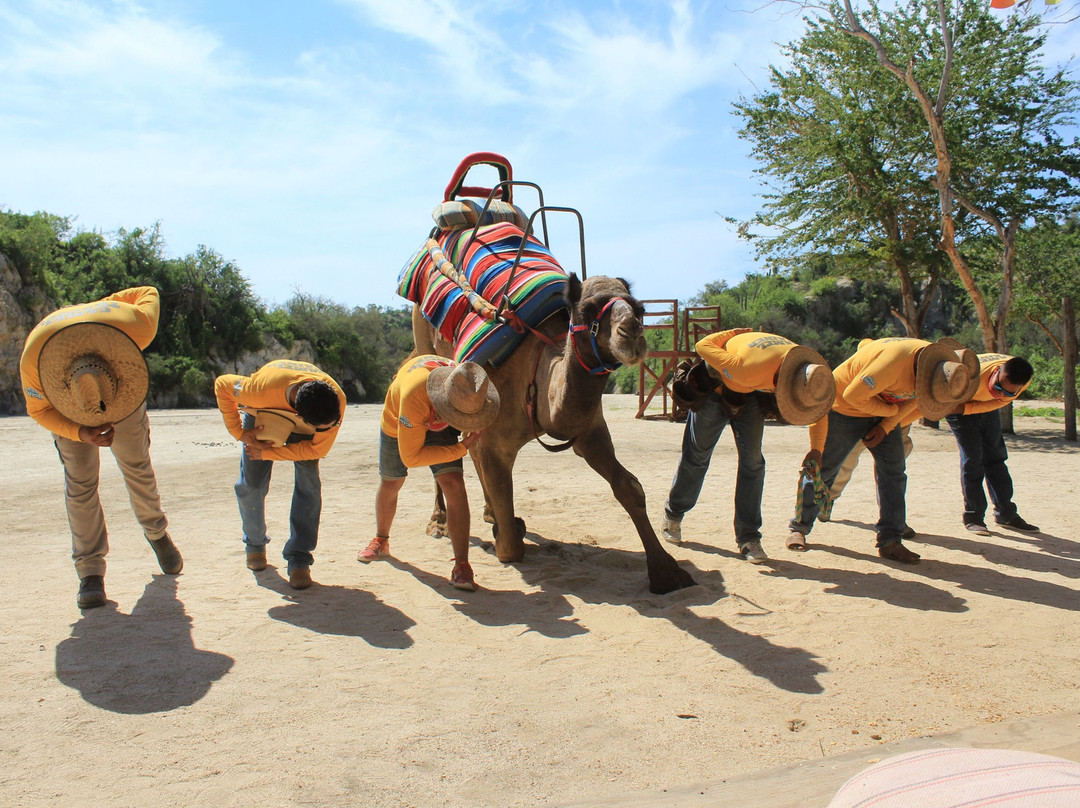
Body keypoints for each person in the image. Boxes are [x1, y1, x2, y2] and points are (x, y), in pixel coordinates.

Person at [20, 286, 182, 609]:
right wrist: (80, 431)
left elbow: (151, 292)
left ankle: (156, 533)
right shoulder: (34, 359)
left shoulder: (132, 325)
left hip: (120, 384)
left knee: (136, 466)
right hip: (66, 401)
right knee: (80, 482)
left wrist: (105, 307)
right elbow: (38, 409)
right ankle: (90, 573)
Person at [789, 337, 977, 564]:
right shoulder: (894, 363)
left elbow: (914, 401)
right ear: (923, 373)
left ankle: (890, 540)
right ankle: (799, 527)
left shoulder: (939, 372)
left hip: (883, 411)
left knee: (894, 472)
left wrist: (886, 425)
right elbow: (852, 394)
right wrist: (888, 412)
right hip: (844, 407)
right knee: (825, 469)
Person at [660, 329, 835, 563]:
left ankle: (749, 537)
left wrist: (816, 449)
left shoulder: (810, 369)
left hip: (752, 392)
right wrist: (736, 332)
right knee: (698, 455)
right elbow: (703, 345)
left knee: (753, 463)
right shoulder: (745, 367)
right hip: (716, 388)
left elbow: (818, 411)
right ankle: (674, 513)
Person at [359, 355, 499, 591]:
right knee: (392, 481)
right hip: (400, 421)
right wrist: (460, 448)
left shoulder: (467, 387)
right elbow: (411, 457)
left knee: (454, 484)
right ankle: (381, 540)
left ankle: (462, 565)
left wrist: (468, 420)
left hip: (439, 417)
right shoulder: (413, 396)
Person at [214, 360, 345, 590]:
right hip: (266, 408)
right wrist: (240, 433)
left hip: (304, 418)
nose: (332, 428)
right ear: (302, 417)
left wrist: (268, 453)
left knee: (309, 485)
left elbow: (317, 449)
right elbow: (222, 384)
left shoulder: (334, 400)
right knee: (251, 485)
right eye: (326, 426)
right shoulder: (259, 390)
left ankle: (299, 557)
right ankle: (254, 544)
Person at [945, 353, 1038, 535]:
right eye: (997, 386)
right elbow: (946, 399)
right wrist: (964, 408)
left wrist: (989, 398)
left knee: (996, 458)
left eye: (1009, 392)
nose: (1001, 393)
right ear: (997, 371)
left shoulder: (1021, 382)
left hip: (988, 405)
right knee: (973, 459)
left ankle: (1006, 514)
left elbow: (998, 401)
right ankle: (974, 518)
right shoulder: (973, 374)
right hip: (957, 404)